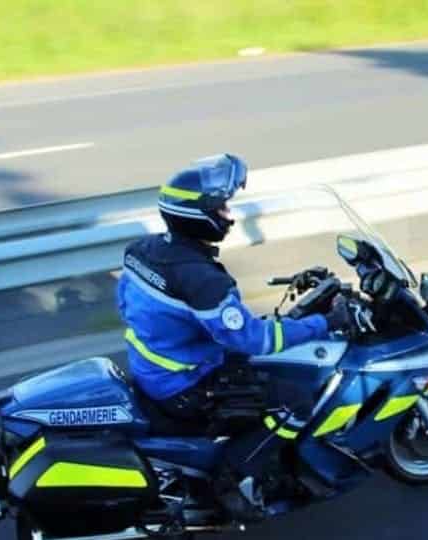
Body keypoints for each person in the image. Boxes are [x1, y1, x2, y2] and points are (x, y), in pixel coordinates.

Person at [115, 154, 350, 518]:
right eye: (222, 208)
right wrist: (323, 323)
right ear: (200, 217)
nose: (230, 215)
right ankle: (231, 479)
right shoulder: (204, 281)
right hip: (184, 386)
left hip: (152, 367)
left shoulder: (142, 252)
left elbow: (126, 304)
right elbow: (252, 340)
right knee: (296, 401)